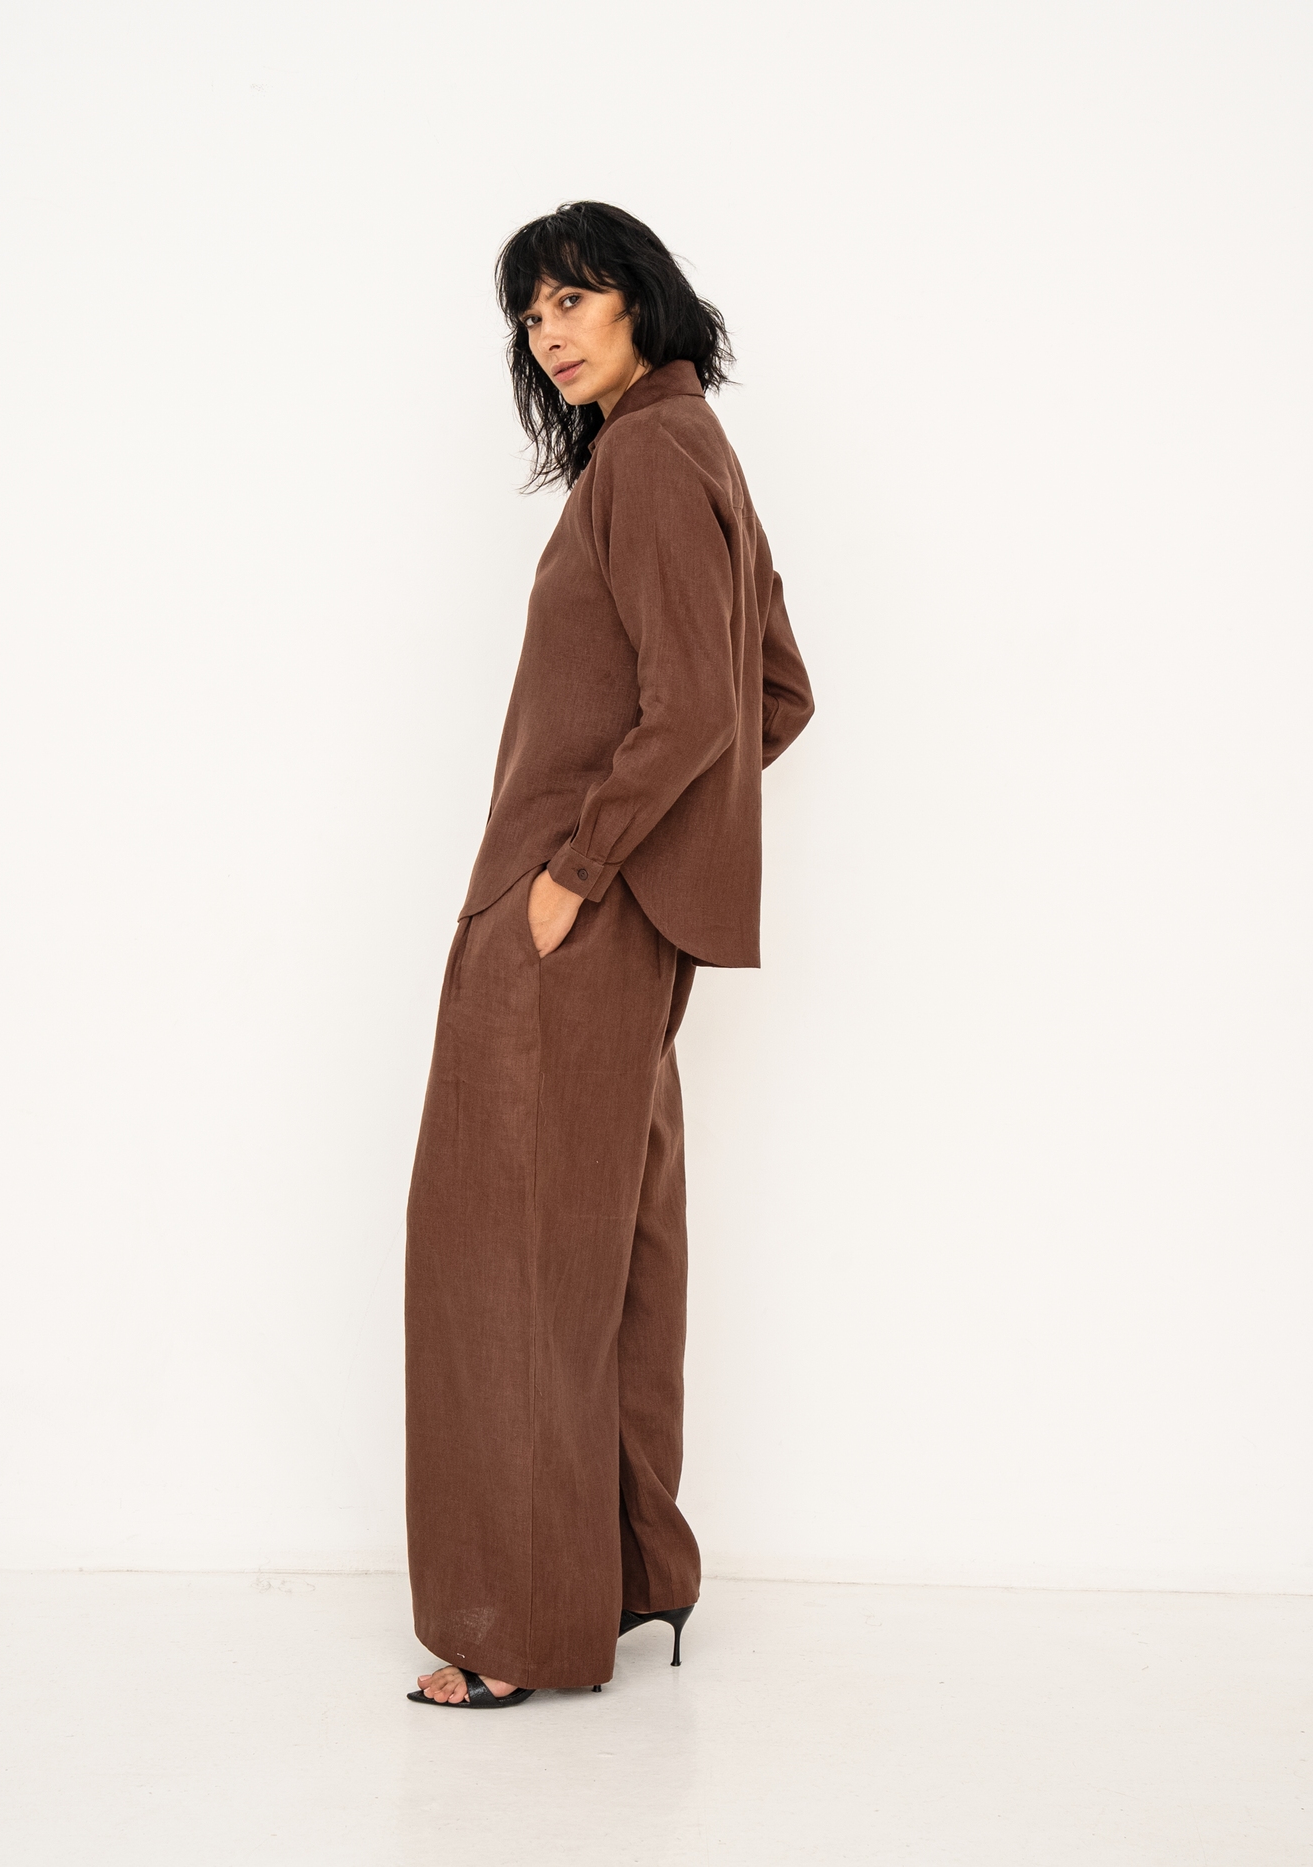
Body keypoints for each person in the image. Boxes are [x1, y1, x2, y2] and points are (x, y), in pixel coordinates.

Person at [405, 200, 814, 1708]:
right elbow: (774, 692)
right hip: (623, 933)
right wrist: (656, 871)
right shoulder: (693, 446)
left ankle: (517, 1628)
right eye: (530, 315)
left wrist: (580, 873)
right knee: (607, 1255)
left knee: (504, 1262)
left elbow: (709, 705)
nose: (550, 334)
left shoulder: (645, 459)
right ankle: (633, 1576)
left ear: (640, 297)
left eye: (572, 298)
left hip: (562, 917)